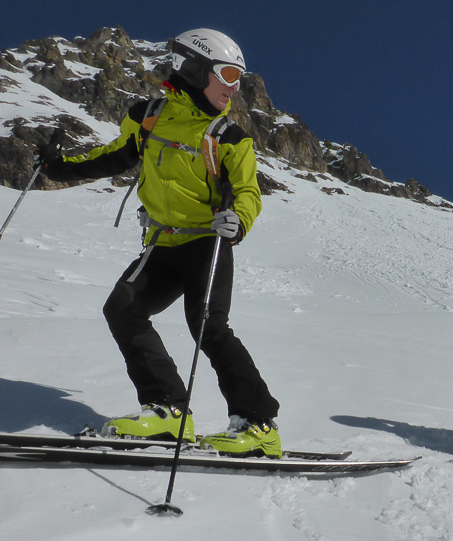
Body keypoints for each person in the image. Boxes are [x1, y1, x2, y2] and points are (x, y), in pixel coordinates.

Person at [36, 28, 281, 457]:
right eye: (227, 74)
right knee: (123, 308)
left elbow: (248, 191)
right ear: (196, 68)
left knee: (208, 326)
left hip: (207, 242)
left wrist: (238, 221)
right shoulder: (149, 116)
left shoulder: (228, 136)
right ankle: (168, 411)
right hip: (163, 244)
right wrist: (59, 168)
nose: (234, 88)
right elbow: (115, 156)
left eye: (239, 78)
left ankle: (258, 424)